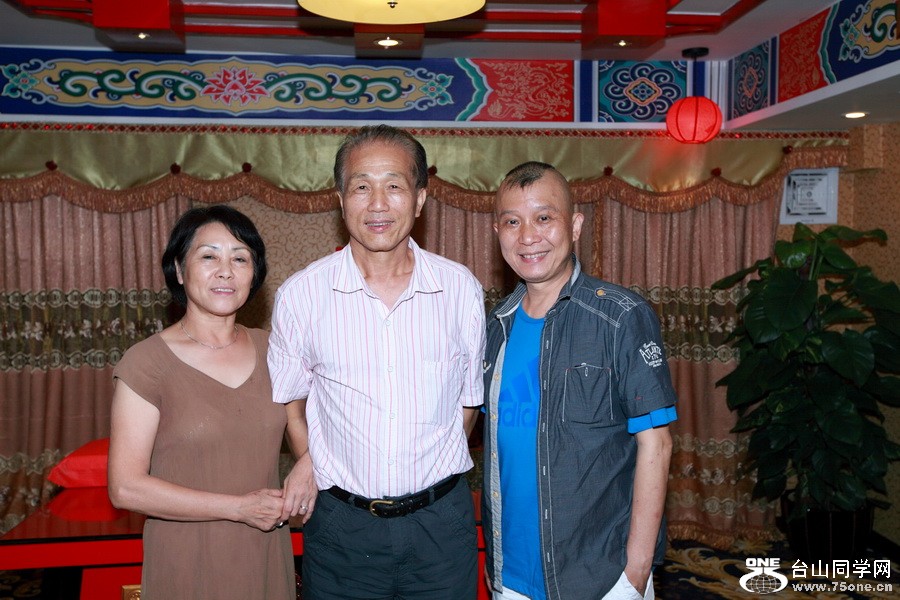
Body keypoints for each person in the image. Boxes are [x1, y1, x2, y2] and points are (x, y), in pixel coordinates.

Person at [268, 124, 486, 600]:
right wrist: (309, 460)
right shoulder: (302, 295)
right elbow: (290, 400)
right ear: (340, 199)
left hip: (440, 526)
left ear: (420, 198)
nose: (378, 204)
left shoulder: (460, 290)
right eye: (362, 187)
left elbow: (468, 402)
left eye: (394, 186)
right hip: (342, 527)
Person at [482, 162, 677, 600]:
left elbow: (657, 445)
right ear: (498, 232)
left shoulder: (620, 318)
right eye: (512, 222)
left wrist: (635, 573)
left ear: (574, 225)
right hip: (509, 575)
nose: (527, 236)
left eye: (543, 218)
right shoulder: (494, 327)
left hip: (599, 577)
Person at [107, 205, 295, 600]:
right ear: (179, 269)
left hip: (263, 553)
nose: (225, 271)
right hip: (187, 560)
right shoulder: (146, 362)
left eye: (240, 258)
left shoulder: (274, 350)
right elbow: (125, 488)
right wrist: (238, 508)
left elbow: (309, 440)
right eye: (209, 256)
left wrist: (307, 472)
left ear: (254, 274)